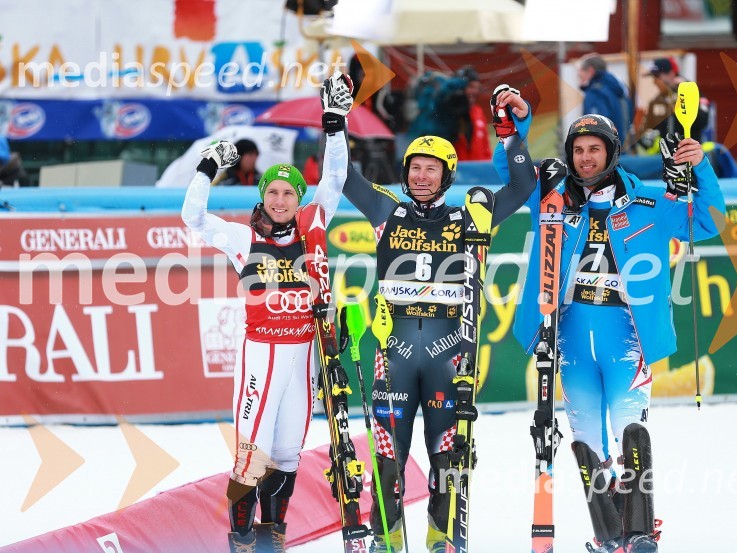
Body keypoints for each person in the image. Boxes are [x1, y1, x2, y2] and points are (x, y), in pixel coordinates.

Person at [494, 112, 725, 552]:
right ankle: (609, 534)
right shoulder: (550, 198)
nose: (584, 158)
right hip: (571, 338)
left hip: (625, 339)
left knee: (630, 434)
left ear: (612, 152)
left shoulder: (651, 205)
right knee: (585, 445)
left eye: (594, 149)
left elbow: (710, 221)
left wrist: (702, 167)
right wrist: (513, 131)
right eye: (578, 150)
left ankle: (640, 530)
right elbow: (514, 175)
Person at [332, 82, 536, 553]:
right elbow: (344, 178)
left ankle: (441, 537)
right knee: (388, 458)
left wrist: (511, 134)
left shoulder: (472, 217)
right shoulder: (387, 210)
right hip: (393, 357)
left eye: (432, 169)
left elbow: (525, 186)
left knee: (449, 456)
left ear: (448, 175)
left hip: (451, 358)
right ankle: (388, 535)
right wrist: (335, 122)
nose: (422, 176)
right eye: (415, 168)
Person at [182, 72, 353, 553]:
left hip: (304, 356)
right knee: (251, 453)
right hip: (261, 354)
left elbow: (335, 177)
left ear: (300, 200)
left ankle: (272, 533)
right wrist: (204, 170)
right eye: (273, 193)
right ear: (263, 198)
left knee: (287, 452)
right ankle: (238, 535)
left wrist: (334, 124)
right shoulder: (243, 238)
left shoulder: (313, 227)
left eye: (289, 194)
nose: (280, 201)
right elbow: (192, 219)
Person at [639, 57, 711, 150]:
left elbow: (703, 120)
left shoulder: (691, 93)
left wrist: (678, 99)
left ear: (671, 74)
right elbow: (647, 129)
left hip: (690, 154)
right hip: (665, 158)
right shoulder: (656, 101)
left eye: (657, 77)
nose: (654, 82)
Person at [577, 53, 633, 144]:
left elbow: (596, 128)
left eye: (580, 76)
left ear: (590, 71)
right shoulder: (618, 90)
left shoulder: (595, 93)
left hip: (604, 152)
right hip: (621, 149)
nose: (580, 80)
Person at [452, 66, 493, 161]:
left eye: (477, 87)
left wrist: (488, 167)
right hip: (456, 172)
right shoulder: (448, 113)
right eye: (470, 87)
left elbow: (485, 147)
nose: (474, 91)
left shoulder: (478, 112)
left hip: (477, 171)